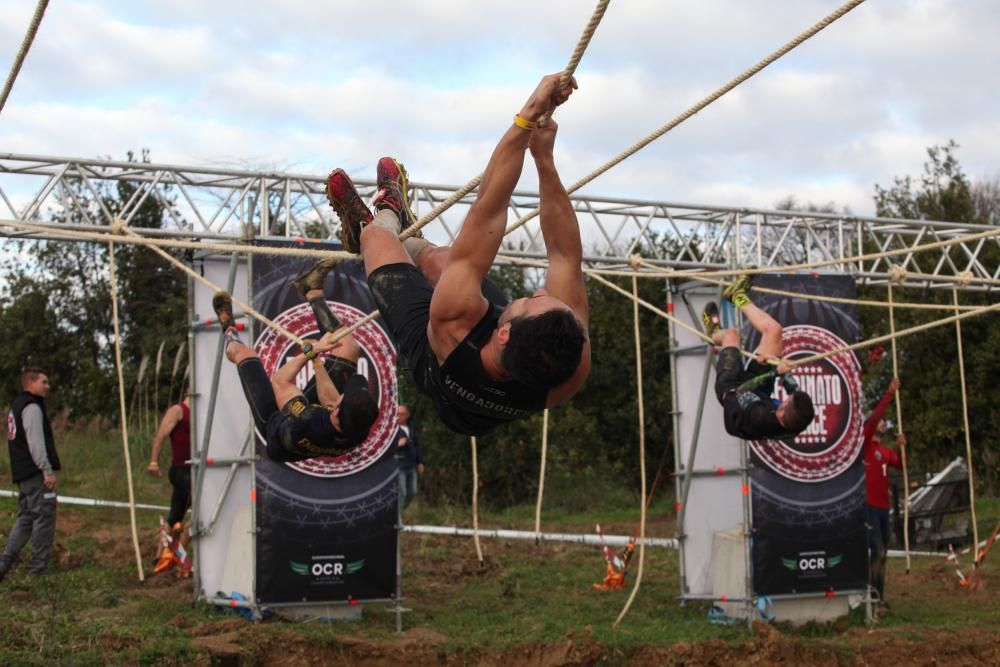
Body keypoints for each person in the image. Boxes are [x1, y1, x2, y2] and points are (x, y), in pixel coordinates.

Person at [311, 72, 590, 436]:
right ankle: (399, 232)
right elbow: (565, 257)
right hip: (503, 366)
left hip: (438, 364)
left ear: (503, 333)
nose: (541, 293)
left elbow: (488, 209)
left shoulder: (453, 323)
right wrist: (544, 158)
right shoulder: (569, 357)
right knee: (442, 262)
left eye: (530, 301)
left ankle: (379, 219)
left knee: (378, 242)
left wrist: (528, 115)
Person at [211, 291, 378, 462]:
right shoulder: (359, 428)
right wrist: (316, 361)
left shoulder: (305, 419)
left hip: (277, 428)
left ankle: (229, 330)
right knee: (348, 348)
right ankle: (312, 291)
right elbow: (330, 401)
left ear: (336, 413)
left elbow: (280, 381)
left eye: (345, 396)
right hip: (313, 429)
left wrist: (309, 351)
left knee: (243, 353)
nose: (343, 393)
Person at [702, 275, 815, 440]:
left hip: (733, 391)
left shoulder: (760, 416)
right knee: (774, 330)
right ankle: (737, 296)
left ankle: (714, 332)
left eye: (785, 401)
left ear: (782, 413)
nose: (787, 397)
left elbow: (742, 391)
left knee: (732, 335)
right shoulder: (798, 422)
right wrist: (784, 374)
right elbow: (795, 393)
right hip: (758, 393)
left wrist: (774, 372)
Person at [1, 368, 61, 581]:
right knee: (44, 517)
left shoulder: (16, 406)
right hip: (36, 473)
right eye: (44, 382)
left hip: (23, 473)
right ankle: (38, 570)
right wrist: (47, 470)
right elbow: (36, 442)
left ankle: (4, 563)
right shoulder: (31, 406)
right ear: (31, 383)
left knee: (26, 518)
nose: (48, 386)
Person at [863, 376, 903, 613]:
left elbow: (902, 465)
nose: (883, 423)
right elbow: (876, 416)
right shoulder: (866, 445)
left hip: (883, 507)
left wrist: (901, 447)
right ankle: (872, 597)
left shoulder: (885, 452)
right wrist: (888, 393)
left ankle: (880, 597)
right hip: (869, 505)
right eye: (880, 421)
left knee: (883, 553)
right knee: (876, 550)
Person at [147, 387, 192, 574]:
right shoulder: (178, 410)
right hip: (182, 470)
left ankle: (165, 557)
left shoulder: (202, 413)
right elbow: (161, 435)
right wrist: (154, 461)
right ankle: (170, 557)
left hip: (196, 470)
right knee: (182, 516)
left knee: (179, 516)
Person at [394, 404, 423, 509]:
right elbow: (385, 448)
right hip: (399, 465)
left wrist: (420, 462)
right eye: (397, 414)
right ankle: (397, 519)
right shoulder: (392, 430)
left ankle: (398, 510)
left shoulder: (411, 428)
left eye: (401, 414)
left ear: (407, 415)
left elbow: (417, 445)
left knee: (412, 492)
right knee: (402, 492)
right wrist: (397, 444)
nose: (399, 416)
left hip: (411, 465)